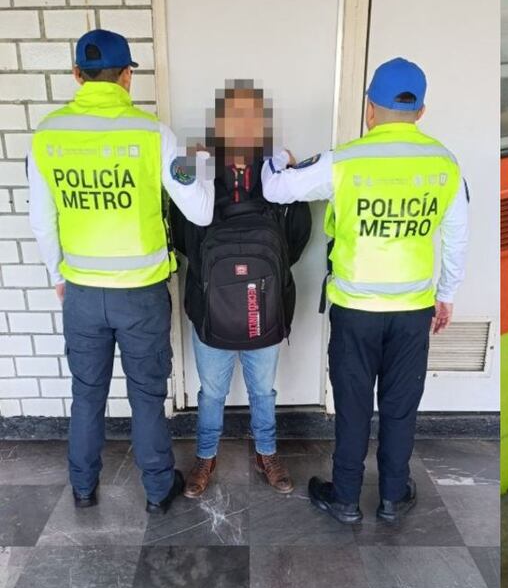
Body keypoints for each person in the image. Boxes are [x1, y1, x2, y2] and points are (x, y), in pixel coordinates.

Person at [261, 57, 468, 524]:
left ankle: (346, 498)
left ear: (370, 109)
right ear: (420, 111)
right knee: (400, 406)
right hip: (414, 309)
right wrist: (447, 293)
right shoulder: (443, 163)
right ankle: (394, 495)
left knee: (353, 405)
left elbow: (275, 191)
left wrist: (280, 160)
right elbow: (458, 234)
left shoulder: (345, 161)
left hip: (355, 310)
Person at [27, 29, 215, 513]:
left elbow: (41, 220)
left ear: (76, 75)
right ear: (128, 75)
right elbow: (200, 211)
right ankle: (157, 491)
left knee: (86, 395)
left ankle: (83, 488)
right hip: (141, 295)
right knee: (147, 396)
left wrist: (59, 276)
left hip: (83, 293)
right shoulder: (153, 135)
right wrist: (204, 165)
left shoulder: (47, 135)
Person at [170, 81, 311, 498]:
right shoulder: (196, 165)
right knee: (211, 391)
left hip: (263, 304)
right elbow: (179, 231)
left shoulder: (276, 170)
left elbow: (298, 232)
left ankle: (266, 452)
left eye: (253, 116)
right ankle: (205, 456)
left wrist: (264, 275)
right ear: (219, 123)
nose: (245, 125)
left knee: (263, 390)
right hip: (210, 303)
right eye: (235, 116)